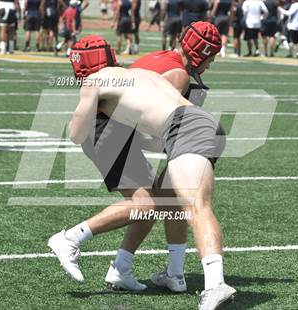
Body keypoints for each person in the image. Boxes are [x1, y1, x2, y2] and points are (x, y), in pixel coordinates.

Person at [49, 34, 236, 309]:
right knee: (172, 199)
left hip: (183, 129)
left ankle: (214, 285)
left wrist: (88, 105)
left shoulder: (94, 81)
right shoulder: (136, 73)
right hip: (206, 126)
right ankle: (173, 274)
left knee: (194, 206)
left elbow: (76, 135)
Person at [104, 21, 222, 293]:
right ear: (200, 54)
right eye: (210, 60)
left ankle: (167, 273)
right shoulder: (178, 75)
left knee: (167, 196)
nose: (209, 66)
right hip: (114, 134)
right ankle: (74, 239)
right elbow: (152, 119)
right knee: (151, 202)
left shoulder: (161, 56)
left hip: (113, 130)